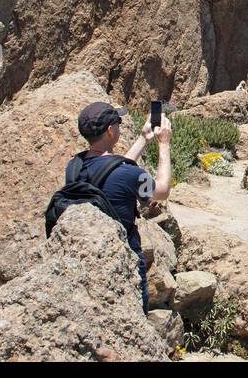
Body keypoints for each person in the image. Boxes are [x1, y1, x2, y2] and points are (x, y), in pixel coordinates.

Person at [68, 101, 171, 311]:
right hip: (125, 258)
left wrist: (143, 139)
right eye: (118, 123)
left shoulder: (75, 165)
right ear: (109, 131)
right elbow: (161, 190)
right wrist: (164, 145)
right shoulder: (127, 173)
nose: (119, 127)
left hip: (90, 254)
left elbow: (111, 170)